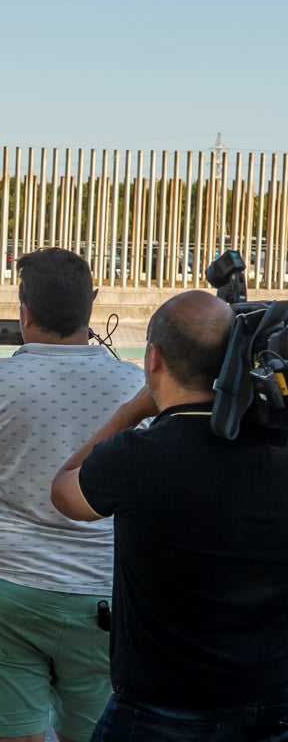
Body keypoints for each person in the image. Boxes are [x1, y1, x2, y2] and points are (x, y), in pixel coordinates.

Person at [52, 290, 288, 741]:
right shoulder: (276, 448)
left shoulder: (137, 456)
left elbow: (65, 491)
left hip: (161, 709)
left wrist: (131, 410)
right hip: (270, 701)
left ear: (154, 357)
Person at [0, 248, 144, 742]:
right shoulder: (135, 386)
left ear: (24, 313)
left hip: (2, 592)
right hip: (102, 595)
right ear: (91, 307)